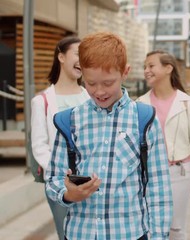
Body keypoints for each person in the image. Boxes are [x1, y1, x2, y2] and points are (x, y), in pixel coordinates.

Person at [45, 32, 173, 240]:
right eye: (91, 83)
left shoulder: (144, 119)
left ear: (125, 72)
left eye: (107, 83)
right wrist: (69, 194)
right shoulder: (70, 121)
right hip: (80, 233)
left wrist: (158, 236)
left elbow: (158, 188)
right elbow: (53, 180)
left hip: (129, 233)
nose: (99, 91)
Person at [137, 50, 190, 240]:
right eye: (145, 67)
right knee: (148, 229)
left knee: (175, 229)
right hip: (148, 175)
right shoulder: (139, 104)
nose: (146, 71)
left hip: (179, 173)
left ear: (168, 68)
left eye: (151, 66)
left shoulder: (188, 103)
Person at [31, 35, 90, 240]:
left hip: (90, 179)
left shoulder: (90, 96)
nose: (82, 60)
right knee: (66, 234)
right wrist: (60, 171)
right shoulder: (42, 101)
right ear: (61, 57)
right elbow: (39, 146)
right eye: (77, 54)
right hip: (59, 182)